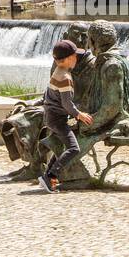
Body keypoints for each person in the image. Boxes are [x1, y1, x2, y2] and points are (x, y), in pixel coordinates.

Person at [38, 40, 93, 193]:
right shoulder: (65, 78)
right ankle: (51, 176)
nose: (77, 59)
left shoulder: (58, 71)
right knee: (74, 148)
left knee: (63, 147)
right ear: (69, 58)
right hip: (57, 119)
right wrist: (79, 115)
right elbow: (67, 104)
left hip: (51, 116)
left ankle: (47, 177)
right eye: (76, 56)